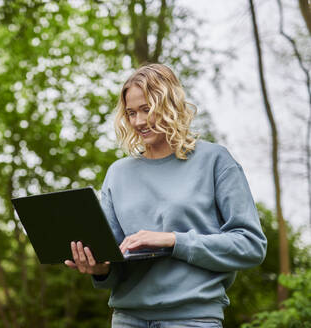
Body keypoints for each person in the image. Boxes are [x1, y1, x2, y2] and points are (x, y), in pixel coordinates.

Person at [64, 63, 267, 328]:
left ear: (170, 104)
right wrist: (100, 268)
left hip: (193, 318)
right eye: (131, 113)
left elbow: (251, 246)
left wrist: (173, 240)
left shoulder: (215, 161)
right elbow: (115, 260)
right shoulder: (118, 173)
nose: (138, 122)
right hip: (128, 319)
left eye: (146, 109)